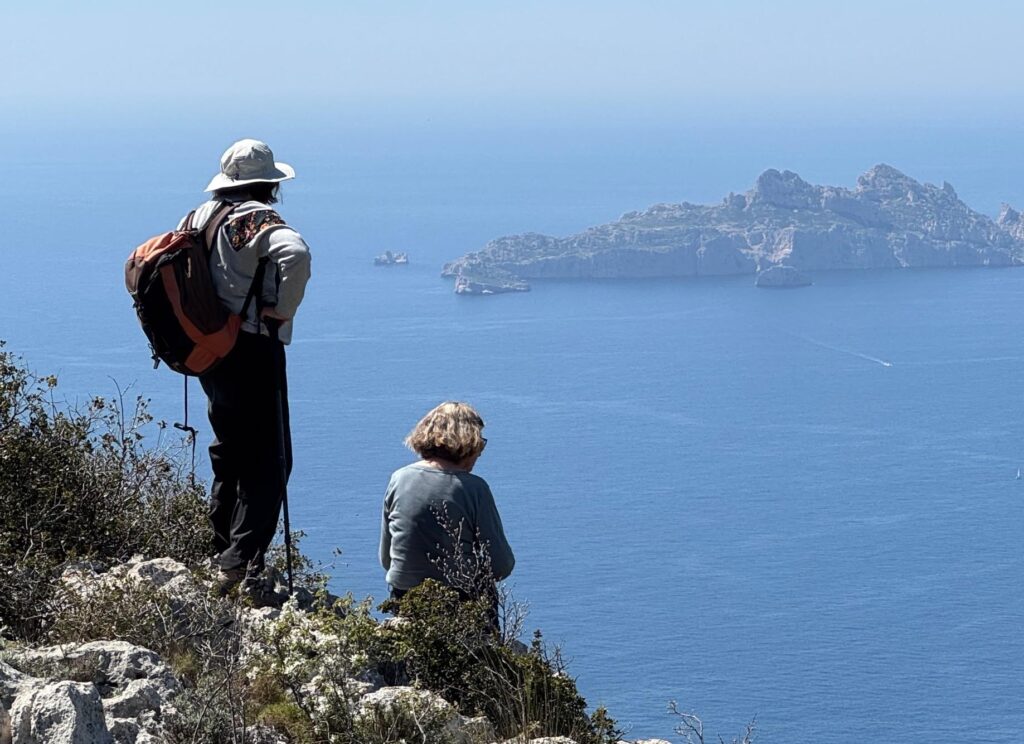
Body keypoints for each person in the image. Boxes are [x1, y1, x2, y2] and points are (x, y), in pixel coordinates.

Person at [185, 139, 312, 599]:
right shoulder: (257, 218)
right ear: (268, 184)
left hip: (209, 348)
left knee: (231, 450)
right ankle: (239, 564)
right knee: (271, 459)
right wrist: (283, 310)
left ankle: (221, 549)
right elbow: (296, 255)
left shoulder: (198, 217)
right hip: (253, 347)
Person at [380, 402, 515, 623]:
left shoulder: (399, 478)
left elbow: (387, 558)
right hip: (459, 601)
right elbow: (501, 565)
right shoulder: (474, 488)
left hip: (404, 597)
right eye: (480, 442)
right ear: (468, 443)